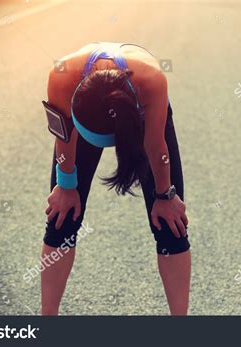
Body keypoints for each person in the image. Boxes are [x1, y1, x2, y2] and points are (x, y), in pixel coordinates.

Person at [41, 42, 191, 315]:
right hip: (83, 105)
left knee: (171, 225)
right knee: (61, 218)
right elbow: (63, 135)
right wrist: (65, 185)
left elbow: (157, 147)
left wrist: (165, 196)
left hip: (139, 112)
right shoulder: (61, 76)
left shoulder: (151, 81)